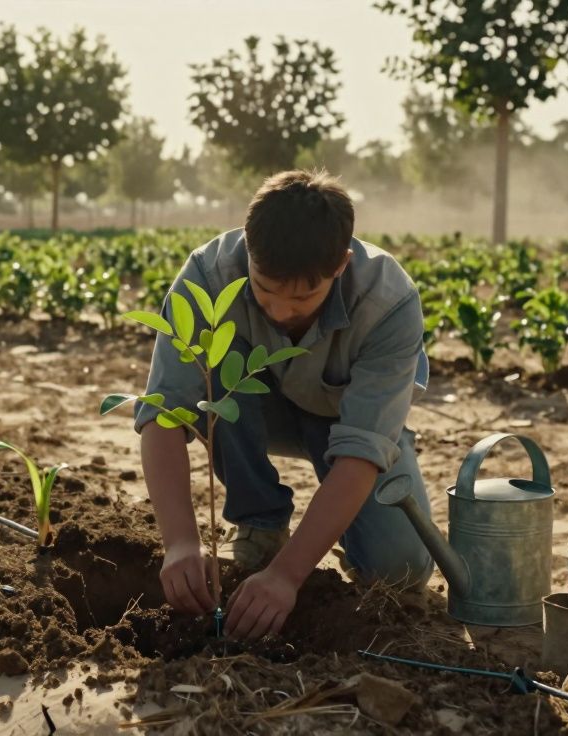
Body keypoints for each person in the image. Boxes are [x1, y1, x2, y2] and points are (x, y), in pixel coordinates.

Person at [132, 169, 436, 640]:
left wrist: (287, 577)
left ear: (341, 265)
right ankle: (259, 525)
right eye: (265, 290)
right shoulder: (208, 276)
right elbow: (162, 413)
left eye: (301, 298)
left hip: (345, 425)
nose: (279, 311)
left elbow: (362, 448)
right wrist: (180, 543)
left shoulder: (388, 303)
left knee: (401, 567)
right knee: (218, 370)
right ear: (249, 251)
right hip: (251, 413)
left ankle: (327, 545)